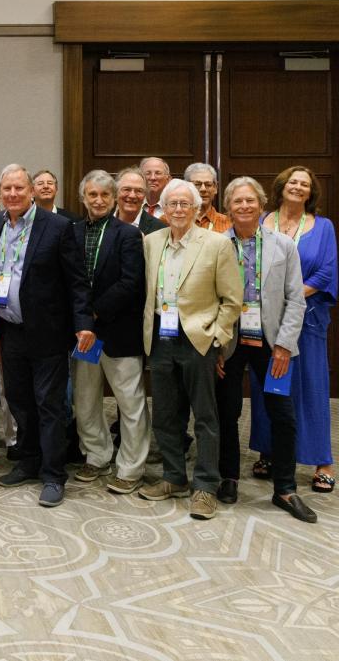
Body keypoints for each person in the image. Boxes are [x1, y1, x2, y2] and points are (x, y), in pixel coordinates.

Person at [0, 164, 95, 508]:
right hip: (10, 329)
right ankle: (30, 460)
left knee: (49, 404)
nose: (13, 194)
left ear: (32, 190)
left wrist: (83, 322)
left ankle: (53, 474)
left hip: (48, 331)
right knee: (19, 401)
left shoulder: (59, 227)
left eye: (19, 188)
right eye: (7, 189)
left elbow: (77, 281)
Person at [137, 179, 242, 520]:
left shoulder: (216, 244)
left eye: (186, 204)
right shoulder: (152, 242)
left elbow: (232, 300)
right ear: (163, 210)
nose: (179, 210)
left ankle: (206, 487)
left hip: (199, 340)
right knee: (166, 415)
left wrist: (217, 338)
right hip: (161, 339)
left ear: (197, 209)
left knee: (206, 417)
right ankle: (174, 477)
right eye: (173, 204)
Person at [215, 177, 314, 522]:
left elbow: (295, 299)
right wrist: (214, 347)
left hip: (272, 344)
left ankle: (285, 488)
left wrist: (285, 346)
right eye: (237, 201)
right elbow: (206, 298)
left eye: (250, 201)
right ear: (228, 208)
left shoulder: (284, 245)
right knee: (226, 413)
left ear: (260, 205)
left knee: (282, 416)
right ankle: (228, 477)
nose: (244, 206)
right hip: (228, 341)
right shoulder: (216, 245)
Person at [252, 165, 336, 494]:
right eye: (293, 182)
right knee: (270, 384)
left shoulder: (323, 226)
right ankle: (269, 451)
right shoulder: (262, 221)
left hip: (308, 317)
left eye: (304, 184)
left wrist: (290, 296)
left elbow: (327, 272)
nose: (298, 187)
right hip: (266, 320)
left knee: (311, 386)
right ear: (281, 186)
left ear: (311, 192)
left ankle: (322, 460)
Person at [68, 170, 149, 494]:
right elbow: (70, 281)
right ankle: (97, 455)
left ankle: (130, 468)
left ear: (114, 198)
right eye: (92, 195)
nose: (98, 200)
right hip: (84, 335)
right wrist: (82, 322)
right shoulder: (72, 232)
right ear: (83, 198)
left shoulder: (128, 234)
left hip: (118, 332)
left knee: (130, 403)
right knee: (85, 402)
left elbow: (130, 283)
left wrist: (92, 314)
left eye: (104, 195)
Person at [115, 167, 166, 235]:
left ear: (145, 195)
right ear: (115, 192)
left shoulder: (160, 229)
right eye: (127, 189)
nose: (132, 195)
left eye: (139, 191)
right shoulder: (101, 222)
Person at [183, 162, 231, 233]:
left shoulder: (229, 224)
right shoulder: (170, 220)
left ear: (215, 188)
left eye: (208, 185)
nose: (203, 189)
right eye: (197, 184)